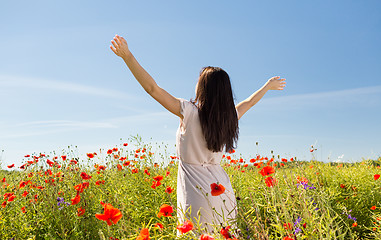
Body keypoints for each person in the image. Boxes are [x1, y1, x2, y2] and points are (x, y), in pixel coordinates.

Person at [110, 34, 286, 236]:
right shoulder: (229, 117)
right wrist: (267, 86)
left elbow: (152, 89)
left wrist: (127, 56)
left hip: (196, 191)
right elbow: (249, 102)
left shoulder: (189, 111)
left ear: (203, 88)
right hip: (221, 189)